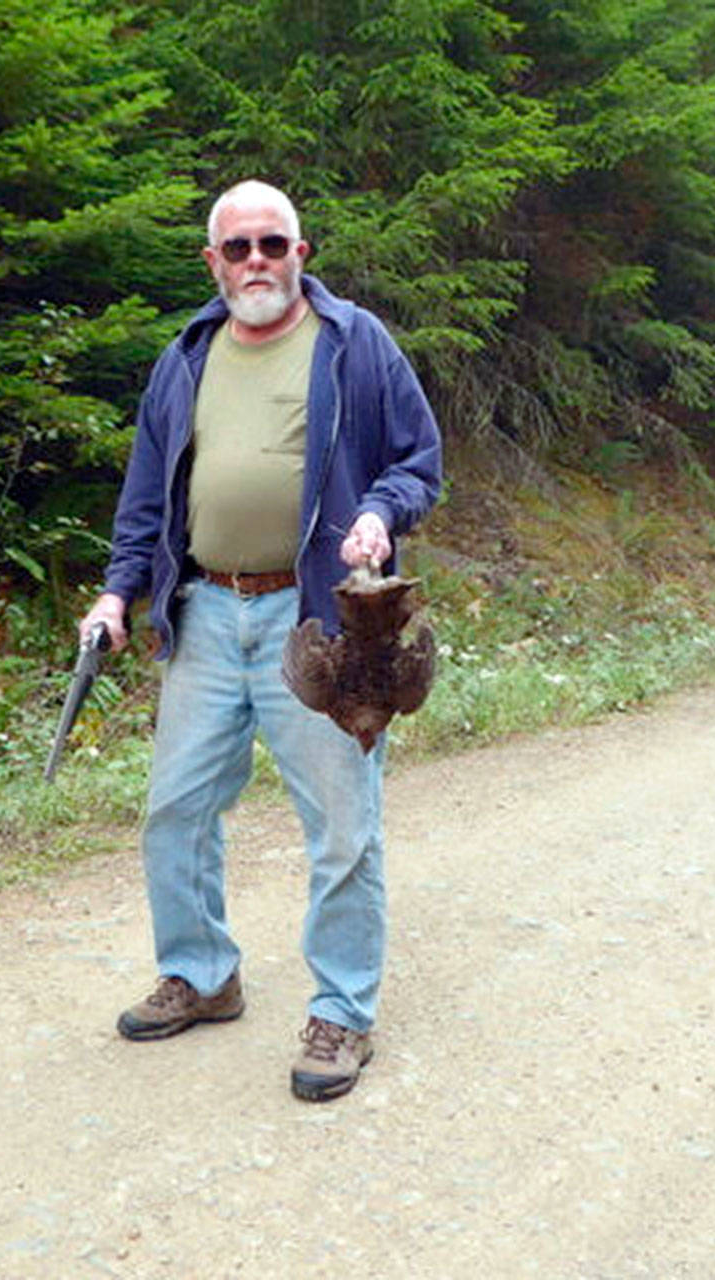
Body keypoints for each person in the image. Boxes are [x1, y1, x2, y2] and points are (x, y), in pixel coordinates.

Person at [79, 179, 441, 1102]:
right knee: (175, 809)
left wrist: (377, 512)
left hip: (318, 623)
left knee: (343, 827)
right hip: (201, 612)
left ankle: (343, 1013)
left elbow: (419, 462)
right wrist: (119, 594)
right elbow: (146, 495)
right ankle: (202, 974)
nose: (255, 263)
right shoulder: (187, 356)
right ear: (212, 262)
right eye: (236, 248)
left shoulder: (355, 345)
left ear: (301, 253)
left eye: (272, 245)